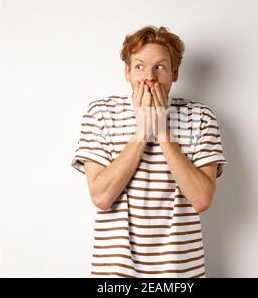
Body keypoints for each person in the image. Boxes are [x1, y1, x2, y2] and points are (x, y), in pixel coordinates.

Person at [71, 25, 227, 277]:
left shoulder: (200, 117)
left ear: (175, 73)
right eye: (140, 66)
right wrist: (142, 131)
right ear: (127, 72)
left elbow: (202, 199)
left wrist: (163, 132)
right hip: (116, 273)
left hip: (180, 273)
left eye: (160, 67)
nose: (149, 76)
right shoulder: (100, 114)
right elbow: (101, 197)